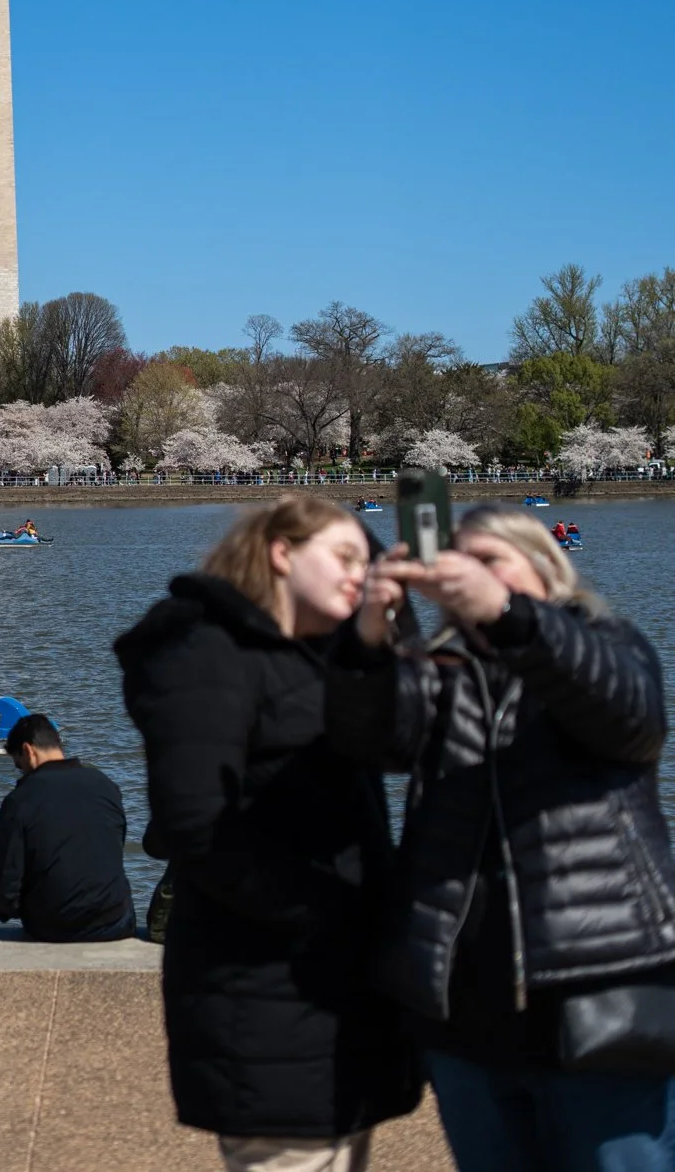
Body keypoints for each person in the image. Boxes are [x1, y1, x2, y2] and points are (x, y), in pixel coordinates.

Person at [327, 503, 675, 1172]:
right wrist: (367, 641)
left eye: (490, 561)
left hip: (599, 988)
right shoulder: (440, 672)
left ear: (546, 569)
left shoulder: (608, 640)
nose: (470, 577)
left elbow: (630, 720)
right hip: (464, 1004)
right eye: (459, 563)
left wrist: (510, 616)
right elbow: (368, 742)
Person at [115, 494, 420, 1172]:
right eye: (344, 557)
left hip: (346, 988)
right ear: (282, 553)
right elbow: (195, 825)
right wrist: (335, 912)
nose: (360, 573)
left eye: (367, 562)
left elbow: (404, 747)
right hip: (263, 982)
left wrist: (379, 638)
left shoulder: (330, 653)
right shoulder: (201, 649)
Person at [0, 713, 136, 942]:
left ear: (28, 751)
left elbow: (4, 893)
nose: (22, 773)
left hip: (55, 927)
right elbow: (115, 847)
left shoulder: (20, 800)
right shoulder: (106, 785)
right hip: (115, 922)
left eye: (20, 766)